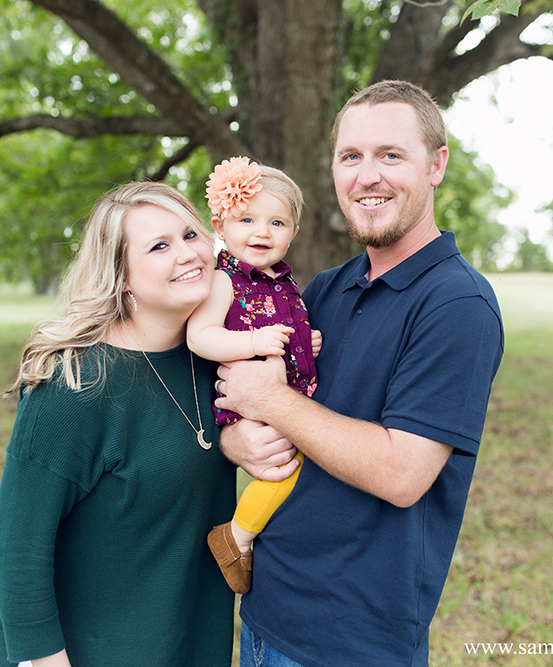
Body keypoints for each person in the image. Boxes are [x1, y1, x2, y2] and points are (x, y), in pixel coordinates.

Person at [215, 80, 505, 666]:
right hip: (266, 610)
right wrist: (235, 438)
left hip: (351, 640)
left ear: (436, 165)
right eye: (351, 156)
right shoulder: (325, 287)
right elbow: (249, 388)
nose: (367, 176)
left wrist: (271, 402)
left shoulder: (457, 304)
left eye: (390, 155)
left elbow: (403, 473)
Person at [0, 182, 238, 667]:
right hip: (77, 649)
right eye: (159, 246)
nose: (188, 254)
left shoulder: (216, 358)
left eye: (190, 235)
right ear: (123, 277)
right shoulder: (76, 384)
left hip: (180, 637)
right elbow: (17, 546)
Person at [186, 157, 320, 594]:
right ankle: (236, 537)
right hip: (249, 399)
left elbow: (282, 331)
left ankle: (249, 536)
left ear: (293, 232)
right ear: (220, 225)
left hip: (287, 395)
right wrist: (252, 344)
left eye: (277, 222)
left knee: (297, 467)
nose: (262, 232)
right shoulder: (225, 281)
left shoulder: (283, 282)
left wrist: (306, 342)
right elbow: (200, 336)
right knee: (286, 469)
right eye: (247, 219)